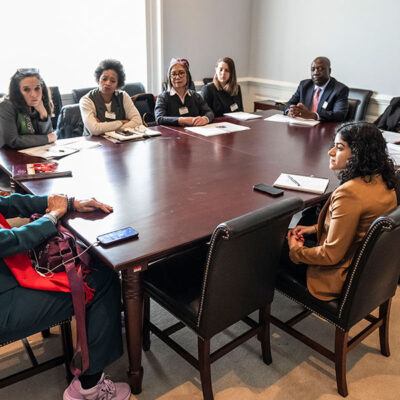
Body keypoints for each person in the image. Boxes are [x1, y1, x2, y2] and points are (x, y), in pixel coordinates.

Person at [0, 193, 131, 400]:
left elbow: (6, 203)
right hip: (5, 302)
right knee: (101, 280)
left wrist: (69, 203)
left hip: (9, 273)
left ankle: (101, 325)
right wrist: (52, 216)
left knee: (89, 266)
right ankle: (90, 387)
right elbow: (9, 241)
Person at [285, 122, 397, 301]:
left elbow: (330, 255)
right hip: (369, 271)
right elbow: (357, 225)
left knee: (269, 250)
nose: (330, 152)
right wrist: (313, 228)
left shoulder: (349, 193)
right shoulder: (383, 179)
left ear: (359, 153)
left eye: (339, 148)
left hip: (340, 276)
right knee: (306, 220)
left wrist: (295, 251)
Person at [79, 59, 142, 136]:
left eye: (113, 81)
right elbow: (94, 129)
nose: (108, 83)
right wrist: (121, 122)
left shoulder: (123, 96)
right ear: (98, 79)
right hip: (94, 143)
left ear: (118, 84)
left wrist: (104, 127)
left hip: (120, 142)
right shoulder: (86, 100)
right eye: (104, 79)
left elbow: (138, 121)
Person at [0, 69, 57, 149]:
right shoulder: (5, 106)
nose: (34, 95)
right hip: (10, 157)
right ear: (17, 92)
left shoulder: (40, 103)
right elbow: (13, 141)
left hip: (36, 154)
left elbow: (50, 136)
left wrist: (43, 113)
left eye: (37, 88)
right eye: (26, 89)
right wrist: (46, 138)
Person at [284, 57, 349, 122]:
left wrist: (312, 115)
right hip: (302, 126)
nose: (315, 72)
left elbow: (339, 115)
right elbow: (289, 103)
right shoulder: (304, 85)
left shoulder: (340, 89)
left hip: (324, 129)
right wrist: (290, 111)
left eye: (320, 69)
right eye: (313, 69)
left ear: (329, 71)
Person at [155, 58, 214, 126]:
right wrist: (182, 120)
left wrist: (205, 119)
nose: (177, 77)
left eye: (181, 73)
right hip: (174, 135)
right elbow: (159, 118)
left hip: (196, 132)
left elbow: (209, 112)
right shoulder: (163, 97)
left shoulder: (195, 95)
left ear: (187, 76)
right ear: (169, 78)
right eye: (173, 74)